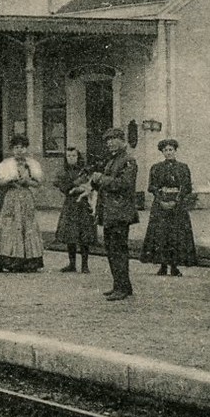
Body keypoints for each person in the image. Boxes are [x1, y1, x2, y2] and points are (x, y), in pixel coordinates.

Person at [90, 127, 139, 301]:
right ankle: (120, 285)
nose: (109, 143)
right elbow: (107, 183)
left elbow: (124, 184)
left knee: (118, 249)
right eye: (107, 140)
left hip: (120, 213)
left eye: (113, 139)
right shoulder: (112, 161)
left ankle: (122, 287)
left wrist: (101, 179)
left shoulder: (128, 161)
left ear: (121, 140)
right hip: (110, 212)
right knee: (111, 249)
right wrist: (95, 181)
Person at [0, 135, 44, 272]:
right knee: (8, 227)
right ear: (13, 149)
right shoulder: (6, 164)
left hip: (25, 198)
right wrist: (8, 180)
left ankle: (28, 262)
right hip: (11, 198)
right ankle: (3, 261)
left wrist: (27, 182)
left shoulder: (32, 164)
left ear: (26, 148)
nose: (19, 150)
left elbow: (38, 183)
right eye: (16, 147)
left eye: (22, 147)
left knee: (27, 227)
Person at [142, 139, 198, 276]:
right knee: (161, 235)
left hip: (177, 205)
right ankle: (162, 266)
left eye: (170, 150)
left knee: (176, 235)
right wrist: (161, 200)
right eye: (165, 150)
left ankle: (174, 266)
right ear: (162, 152)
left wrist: (176, 201)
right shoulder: (156, 168)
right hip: (160, 204)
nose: (168, 152)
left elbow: (187, 187)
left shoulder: (183, 167)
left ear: (175, 151)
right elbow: (152, 186)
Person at [53, 148, 97, 273]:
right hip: (70, 204)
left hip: (83, 205)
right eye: (69, 156)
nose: (71, 158)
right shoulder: (63, 172)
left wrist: (82, 188)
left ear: (78, 157)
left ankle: (85, 265)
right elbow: (62, 186)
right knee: (70, 234)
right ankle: (72, 264)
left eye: (74, 155)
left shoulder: (85, 171)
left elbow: (92, 185)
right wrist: (74, 187)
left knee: (84, 234)